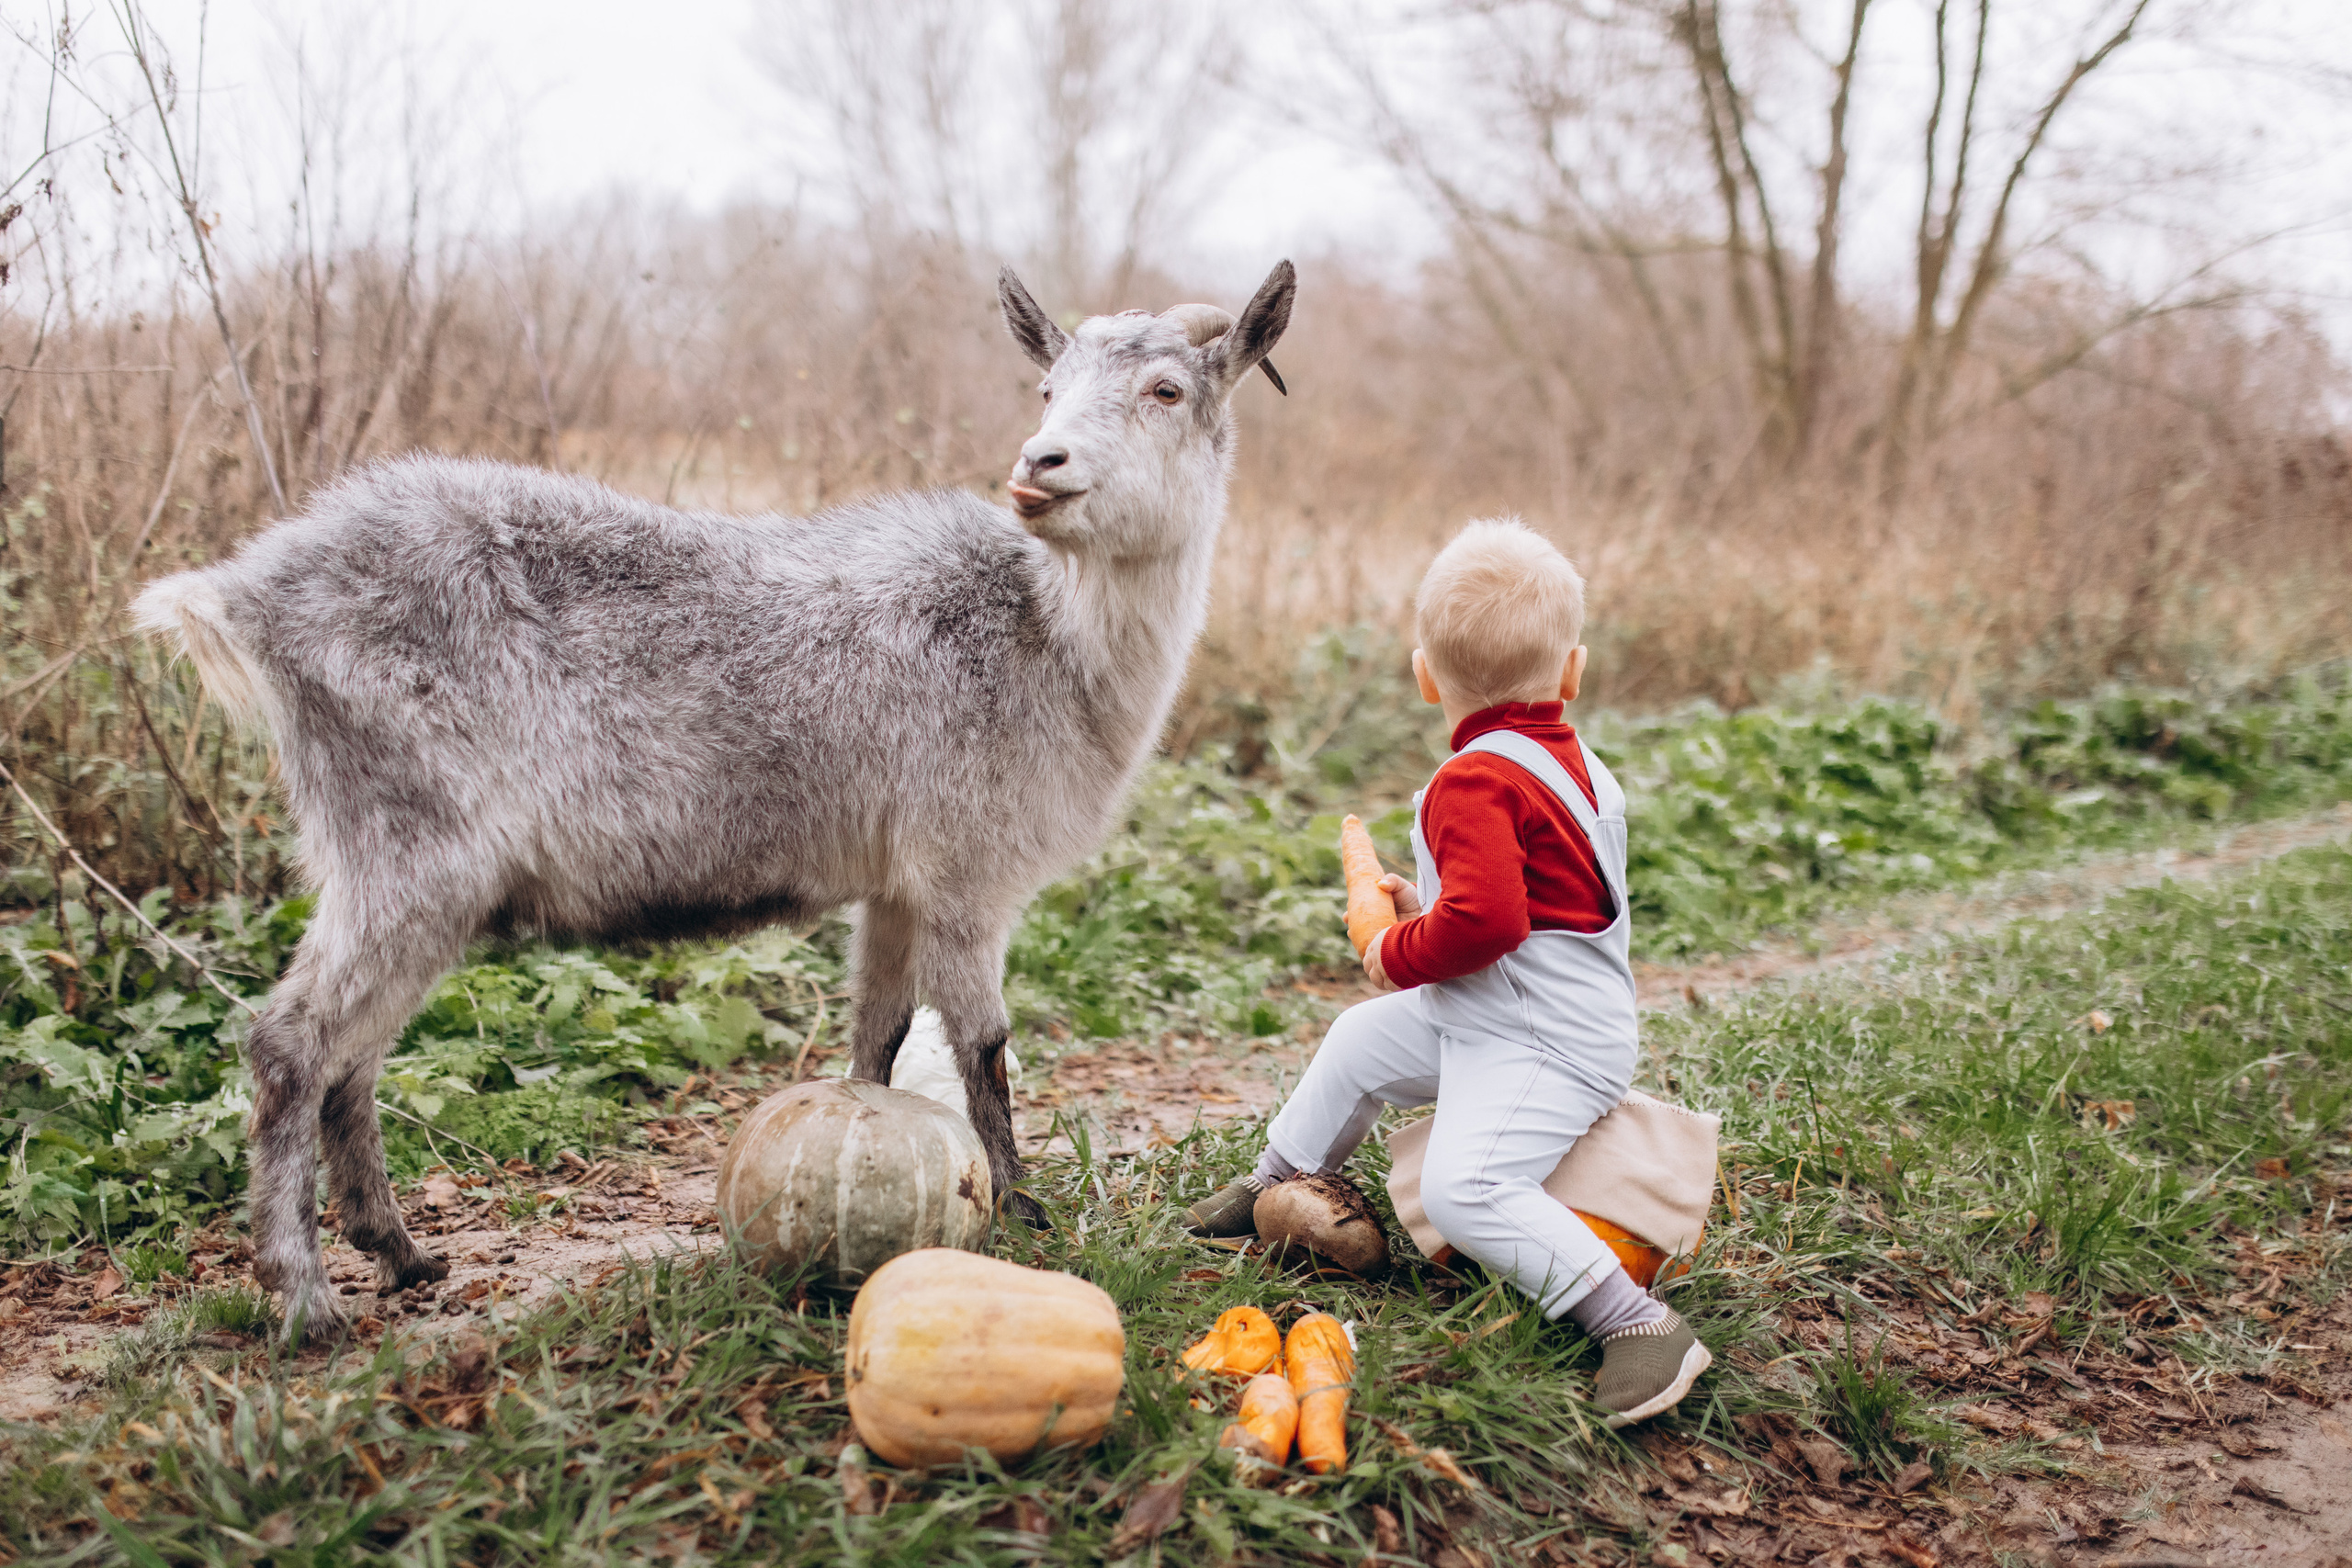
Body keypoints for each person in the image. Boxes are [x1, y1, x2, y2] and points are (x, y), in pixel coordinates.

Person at [1182, 518, 1710, 1427]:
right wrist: (1423, 907)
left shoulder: (1471, 784)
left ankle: (1635, 1323)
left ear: (1425, 675)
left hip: (1544, 1042)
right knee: (1357, 1042)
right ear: (1571, 671)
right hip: (1512, 1010)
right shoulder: (1575, 766)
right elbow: (1528, 899)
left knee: (1465, 1189)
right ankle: (1275, 1180)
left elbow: (1493, 921)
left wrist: (1395, 948)